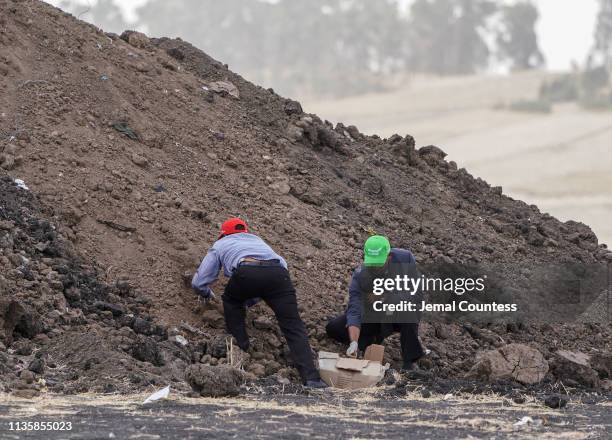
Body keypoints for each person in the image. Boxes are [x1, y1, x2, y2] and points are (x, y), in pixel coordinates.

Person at [192, 217, 327, 388]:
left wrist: (206, 294)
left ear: (223, 234)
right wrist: (254, 298)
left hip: (247, 272)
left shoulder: (221, 244)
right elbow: (282, 264)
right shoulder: (257, 240)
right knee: (293, 326)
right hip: (279, 275)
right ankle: (312, 379)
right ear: (246, 232)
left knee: (231, 301)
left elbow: (199, 282)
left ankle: (241, 348)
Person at [325, 235, 424, 371]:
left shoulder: (405, 259)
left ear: (389, 256)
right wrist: (353, 342)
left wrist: (385, 296)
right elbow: (355, 309)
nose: (375, 268)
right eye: (372, 264)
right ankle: (372, 338)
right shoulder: (360, 275)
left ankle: (410, 361)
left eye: (379, 264)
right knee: (333, 328)